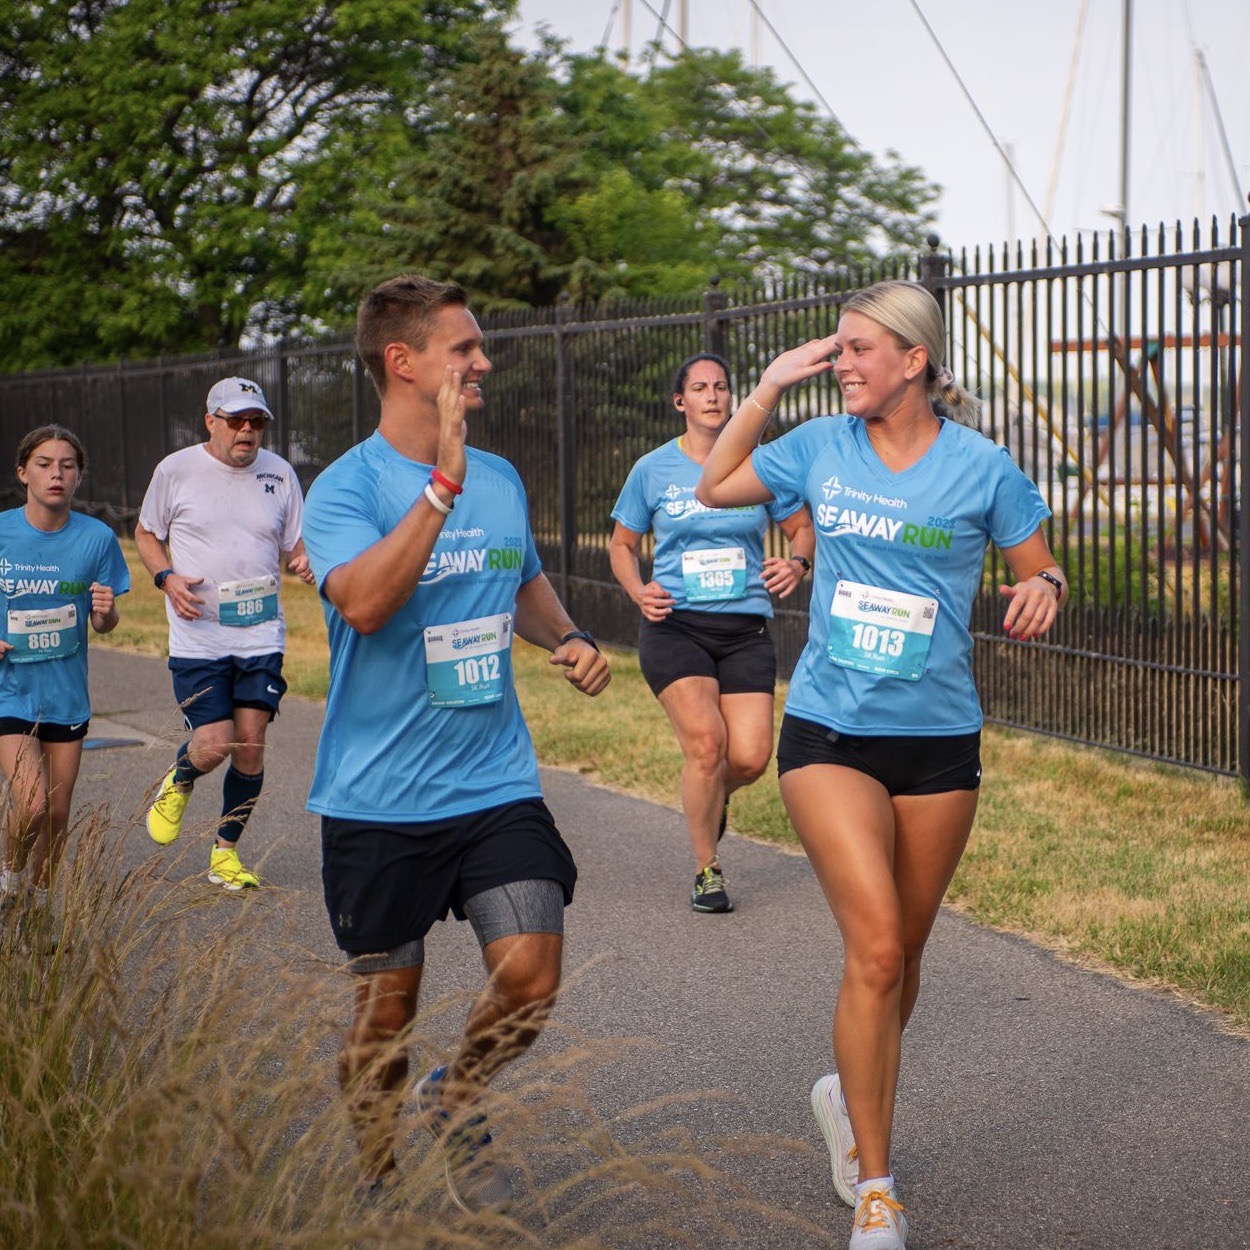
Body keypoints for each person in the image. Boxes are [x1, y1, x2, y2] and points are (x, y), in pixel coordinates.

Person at [696, 280, 1065, 1250]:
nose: (842, 361)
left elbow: (1036, 562)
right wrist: (771, 383)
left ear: (914, 360)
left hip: (939, 740)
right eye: (837, 348)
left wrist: (1046, 586)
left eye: (858, 348)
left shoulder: (983, 467)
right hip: (828, 732)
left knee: (904, 954)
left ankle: (842, 1088)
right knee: (875, 950)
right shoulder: (819, 447)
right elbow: (715, 485)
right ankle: (875, 1186)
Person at [302, 274, 610, 1213]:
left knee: (530, 976)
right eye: (464, 348)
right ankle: (377, 1177)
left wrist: (566, 636)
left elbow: (521, 582)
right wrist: (440, 487)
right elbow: (363, 600)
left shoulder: (504, 477)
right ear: (403, 362)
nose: (482, 362)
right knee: (383, 1016)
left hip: (492, 783)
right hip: (377, 799)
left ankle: (458, 1090)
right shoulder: (345, 487)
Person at [609, 353, 814, 914]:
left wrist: (797, 564)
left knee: (746, 759)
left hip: (745, 628)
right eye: (699, 388)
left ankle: (709, 798)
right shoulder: (652, 469)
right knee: (706, 746)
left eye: (721, 387)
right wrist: (637, 590)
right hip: (675, 627)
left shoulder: (759, 467)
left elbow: (801, 530)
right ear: (681, 402)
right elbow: (622, 545)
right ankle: (707, 867)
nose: (713, 396)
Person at [135, 377, 315, 890]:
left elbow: (295, 540)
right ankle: (181, 777)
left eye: (256, 422)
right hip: (200, 636)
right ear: (210, 420)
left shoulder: (279, 474)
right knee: (214, 744)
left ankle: (225, 855)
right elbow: (146, 533)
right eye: (236, 420)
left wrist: (304, 558)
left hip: (260, 635)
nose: (247, 431)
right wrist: (166, 578)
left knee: (251, 743)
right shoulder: (176, 470)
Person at [0, 425, 129, 943]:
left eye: (68, 465)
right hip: (9, 689)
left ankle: (45, 904)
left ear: (79, 475)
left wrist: (106, 612)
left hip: (66, 693)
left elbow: (104, 624)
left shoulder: (96, 538)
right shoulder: (3, 531)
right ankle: (9, 878)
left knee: (56, 811)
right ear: (22, 472)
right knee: (31, 802)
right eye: (45, 463)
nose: (57, 474)